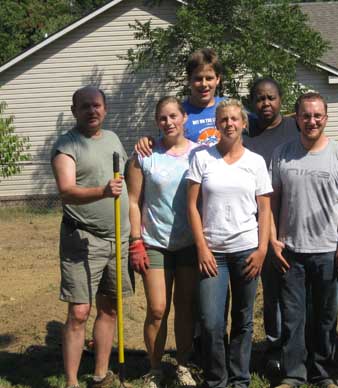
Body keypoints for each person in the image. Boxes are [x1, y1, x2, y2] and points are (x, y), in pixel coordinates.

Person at [270, 92, 338, 388]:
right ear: (296, 118)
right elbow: (271, 200)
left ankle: (322, 372)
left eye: (317, 116)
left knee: (325, 317)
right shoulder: (282, 154)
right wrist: (273, 239)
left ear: (326, 118)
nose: (312, 121)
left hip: (328, 250)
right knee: (293, 316)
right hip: (291, 251)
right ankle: (294, 373)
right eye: (306, 115)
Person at [51, 86, 133, 388]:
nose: (92, 110)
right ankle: (72, 382)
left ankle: (100, 374)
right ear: (74, 111)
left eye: (97, 105)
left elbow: (127, 178)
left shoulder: (112, 139)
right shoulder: (66, 146)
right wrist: (102, 191)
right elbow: (66, 191)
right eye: (84, 106)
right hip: (83, 240)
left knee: (110, 308)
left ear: (105, 108)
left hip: (118, 239)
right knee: (80, 311)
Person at [186, 99, 272, 388]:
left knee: (243, 320)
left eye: (235, 119)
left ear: (244, 124)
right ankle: (216, 379)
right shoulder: (202, 158)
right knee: (211, 322)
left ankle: (240, 379)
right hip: (213, 254)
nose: (230, 124)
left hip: (247, 250)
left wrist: (262, 249)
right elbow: (192, 207)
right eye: (224, 119)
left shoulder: (256, 162)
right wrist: (201, 247)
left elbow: (265, 210)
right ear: (216, 124)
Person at [126, 96, 201, 388]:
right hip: (154, 242)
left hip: (188, 244)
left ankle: (182, 365)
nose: (168, 122)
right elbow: (133, 201)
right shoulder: (144, 155)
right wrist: (135, 241)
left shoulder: (199, 154)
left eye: (173, 116)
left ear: (184, 117)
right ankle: (155, 368)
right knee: (157, 308)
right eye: (162, 118)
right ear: (156, 122)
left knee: (185, 307)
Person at [242, 77, 299, 374]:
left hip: (295, 223)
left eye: (271, 97)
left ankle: (300, 347)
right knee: (273, 292)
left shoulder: (295, 126)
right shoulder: (245, 131)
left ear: (281, 99)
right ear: (252, 101)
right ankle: (274, 348)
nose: (266, 104)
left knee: (297, 291)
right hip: (258, 226)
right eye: (260, 98)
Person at [136, 48, 224, 154]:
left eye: (209, 78)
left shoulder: (231, 109)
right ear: (189, 79)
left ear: (218, 79)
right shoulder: (177, 115)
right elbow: (164, 146)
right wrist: (148, 142)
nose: (204, 84)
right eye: (198, 79)